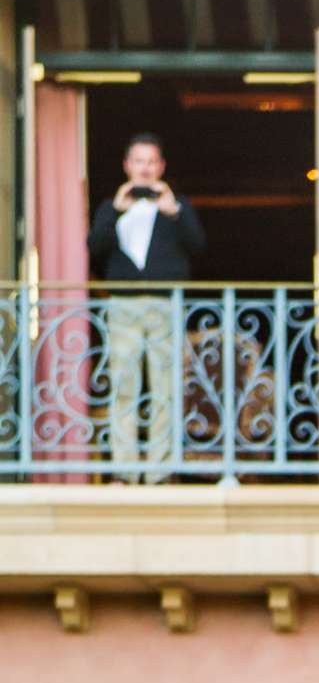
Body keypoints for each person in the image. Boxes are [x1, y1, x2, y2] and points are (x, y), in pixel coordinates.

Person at [87, 132, 205, 484]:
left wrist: (175, 211)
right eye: (139, 161)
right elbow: (94, 248)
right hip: (123, 305)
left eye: (151, 162)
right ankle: (124, 470)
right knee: (124, 386)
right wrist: (116, 211)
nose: (145, 168)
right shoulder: (111, 208)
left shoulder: (176, 208)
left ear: (161, 166)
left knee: (164, 388)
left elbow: (198, 246)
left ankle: (159, 471)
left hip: (164, 305)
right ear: (127, 165)